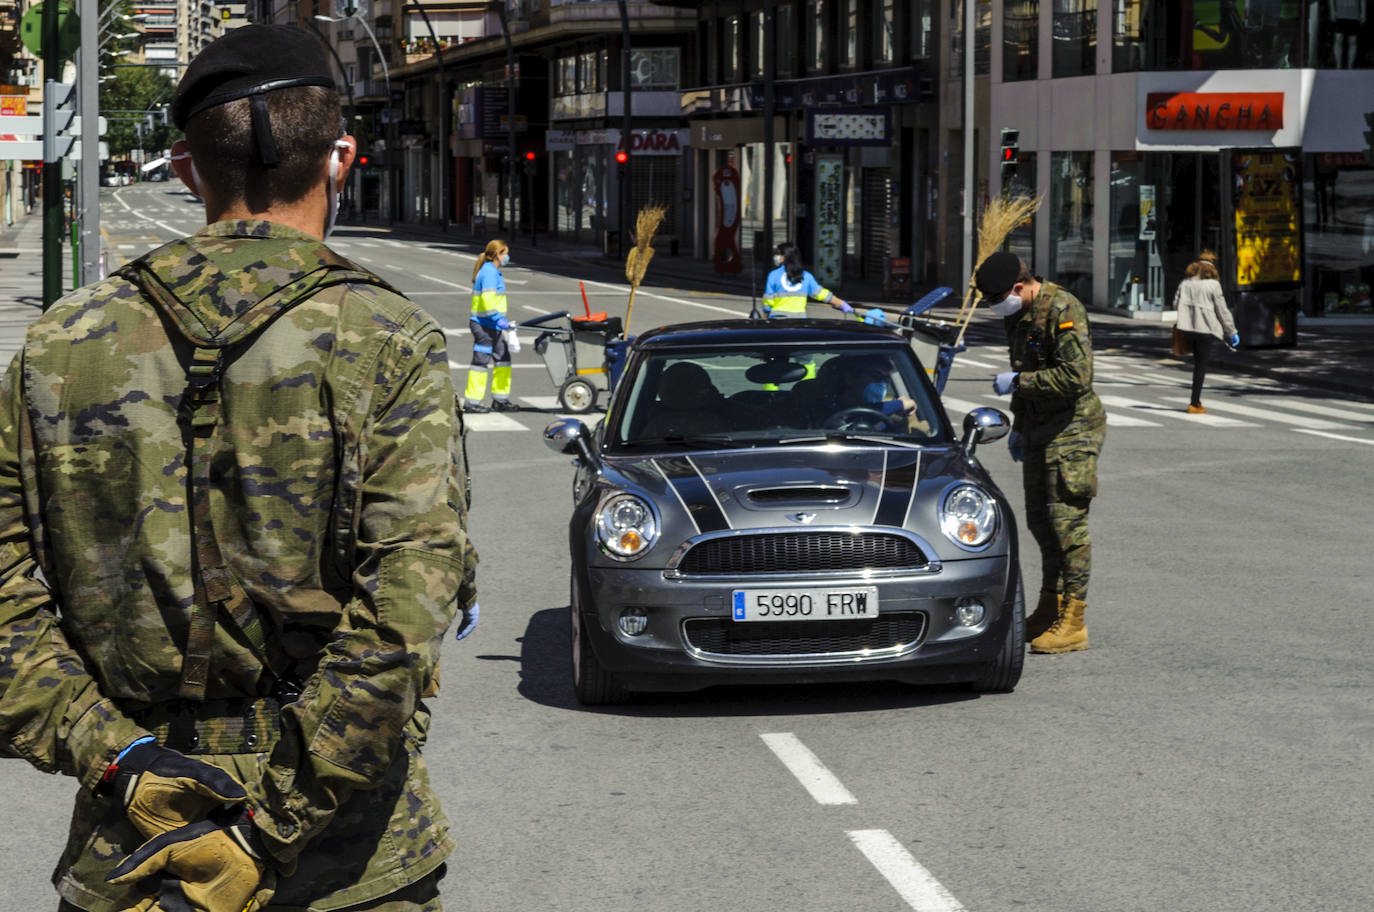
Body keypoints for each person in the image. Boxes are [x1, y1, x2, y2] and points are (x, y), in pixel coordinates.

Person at [0, 25, 477, 912]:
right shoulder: (386, 339)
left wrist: (122, 758)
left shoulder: (58, 345)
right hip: (351, 863)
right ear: (341, 160)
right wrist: (269, 826)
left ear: (187, 168)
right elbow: (404, 620)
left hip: (141, 847)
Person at [976, 251, 1105, 655]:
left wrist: (1019, 381)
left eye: (998, 298)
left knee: (1068, 527)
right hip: (1038, 428)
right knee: (1040, 524)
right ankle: (1049, 607)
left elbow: (1078, 377)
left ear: (1019, 287)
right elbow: (1026, 364)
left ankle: (1075, 619)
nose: (997, 307)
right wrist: (1018, 421)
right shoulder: (1019, 315)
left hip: (1073, 430)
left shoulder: (1063, 308)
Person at [1173, 250, 1239, 414]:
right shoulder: (1213, 285)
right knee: (1200, 367)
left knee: (1196, 363)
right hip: (1205, 330)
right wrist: (1231, 331)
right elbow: (1222, 310)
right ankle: (1194, 403)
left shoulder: (1185, 283)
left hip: (1187, 329)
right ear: (1212, 268)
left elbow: (1175, 304)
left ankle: (1196, 402)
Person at [463, 239, 518, 413]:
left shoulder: (491, 271)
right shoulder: (489, 273)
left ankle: (500, 399)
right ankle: (472, 402)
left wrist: (499, 321)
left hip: (491, 324)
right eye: (505, 253)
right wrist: (498, 319)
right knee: (480, 362)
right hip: (484, 324)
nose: (507, 257)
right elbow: (488, 301)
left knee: (503, 359)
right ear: (497, 254)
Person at [760, 242, 853, 319]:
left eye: (778, 254)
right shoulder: (806, 276)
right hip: (800, 322)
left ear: (786, 256)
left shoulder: (773, 275)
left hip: (777, 321)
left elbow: (768, 301)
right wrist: (842, 304)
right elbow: (822, 294)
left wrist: (765, 317)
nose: (776, 256)